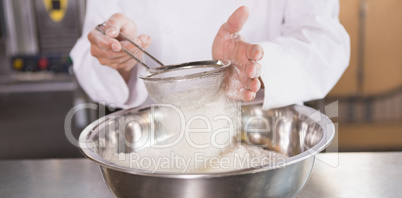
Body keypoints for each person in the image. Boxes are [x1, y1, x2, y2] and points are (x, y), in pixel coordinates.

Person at [70, 0, 350, 110]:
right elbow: (89, 50)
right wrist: (116, 57)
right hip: (156, 144)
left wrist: (259, 65)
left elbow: (323, 41)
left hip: (263, 135)